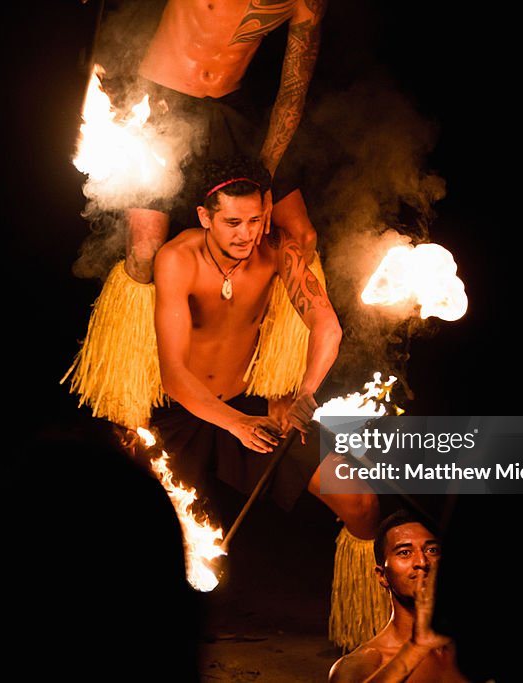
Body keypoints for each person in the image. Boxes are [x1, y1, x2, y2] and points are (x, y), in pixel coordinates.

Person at [151, 156, 386, 650]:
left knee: (361, 502)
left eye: (256, 220)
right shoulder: (177, 258)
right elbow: (174, 375)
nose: (246, 234)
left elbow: (328, 326)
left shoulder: (278, 251)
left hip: (250, 404)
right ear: (204, 216)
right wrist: (236, 423)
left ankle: (375, 629)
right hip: (182, 411)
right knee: (144, 532)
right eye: (232, 222)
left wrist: (303, 393)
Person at [66, 0, 327, 435]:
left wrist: (263, 183)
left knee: (301, 233)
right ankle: (129, 394)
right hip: (160, 100)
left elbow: (292, 94)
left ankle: (282, 386)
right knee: (146, 255)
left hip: (234, 107)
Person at [328, 510, 468, 682]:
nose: (422, 562)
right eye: (404, 552)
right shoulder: (368, 661)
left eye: (432, 550)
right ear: (382, 576)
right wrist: (415, 648)